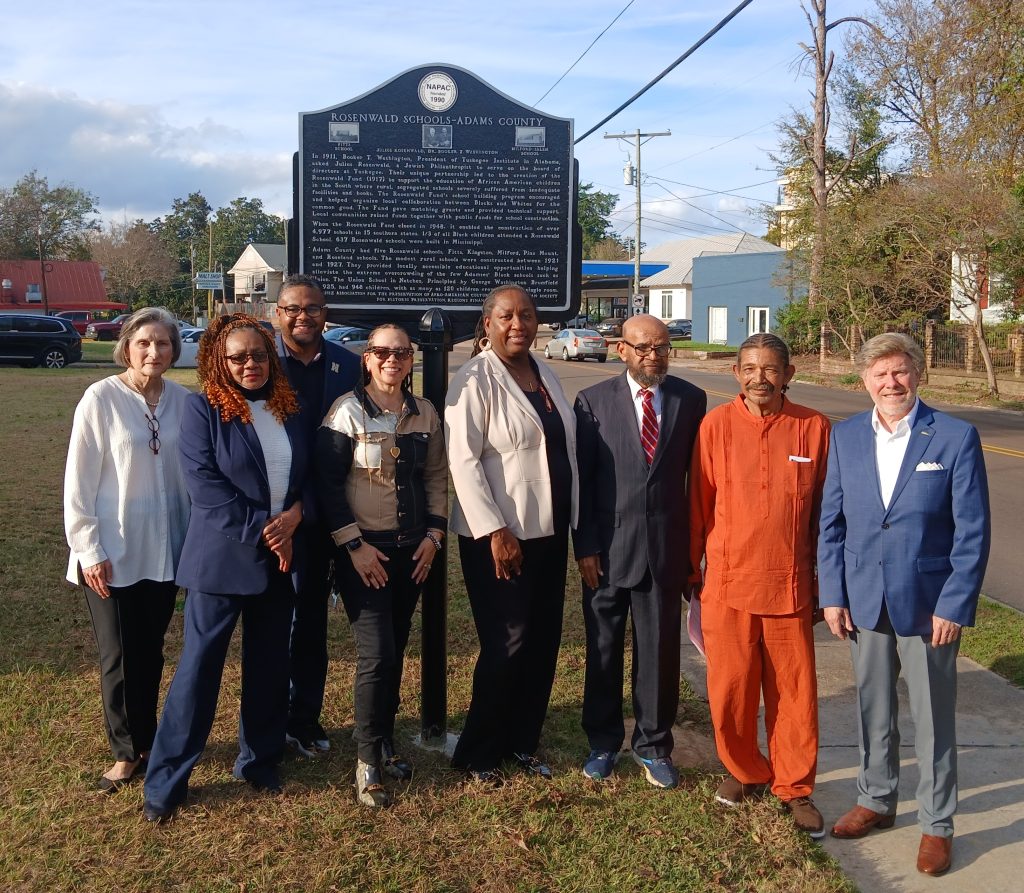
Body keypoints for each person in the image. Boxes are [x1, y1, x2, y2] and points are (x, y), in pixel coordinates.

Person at [818, 333, 991, 876]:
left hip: (929, 604)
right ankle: (876, 797)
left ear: (918, 374)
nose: (890, 383)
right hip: (864, 599)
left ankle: (938, 824)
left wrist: (954, 603)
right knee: (874, 709)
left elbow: (973, 531)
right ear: (863, 380)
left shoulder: (955, 436)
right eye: (879, 374)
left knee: (935, 718)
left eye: (900, 371)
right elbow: (831, 525)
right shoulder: (845, 436)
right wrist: (832, 594)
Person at [143, 314, 307, 822]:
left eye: (258, 354)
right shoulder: (203, 410)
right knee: (198, 672)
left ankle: (259, 761)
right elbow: (207, 490)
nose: (250, 364)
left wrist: (297, 515)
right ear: (219, 359)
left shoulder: (288, 406)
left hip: (283, 559)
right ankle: (166, 783)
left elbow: (312, 475)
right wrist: (269, 530)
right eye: (238, 357)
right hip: (222, 561)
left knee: (269, 666)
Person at [688, 333, 830, 836]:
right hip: (727, 583)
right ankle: (743, 770)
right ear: (736, 374)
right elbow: (699, 506)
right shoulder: (716, 426)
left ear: (789, 374)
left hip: (790, 587)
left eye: (770, 368)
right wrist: (692, 574)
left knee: (794, 694)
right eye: (749, 368)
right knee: (731, 689)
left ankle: (794, 786)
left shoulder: (813, 428)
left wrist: (825, 584)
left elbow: (827, 518)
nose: (759, 378)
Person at [445, 284, 579, 782]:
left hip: (548, 530)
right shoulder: (472, 380)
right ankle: (480, 751)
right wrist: (495, 530)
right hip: (501, 537)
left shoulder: (544, 373)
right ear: (487, 324)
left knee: (543, 639)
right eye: (506, 316)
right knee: (509, 640)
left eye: (526, 315)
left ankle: (523, 741)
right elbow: (463, 461)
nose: (517, 324)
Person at [316, 324, 447, 806]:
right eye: (383, 353)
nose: (393, 360)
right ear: (367, 360)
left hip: (411, 550)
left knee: (396, 644)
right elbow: (328, 486)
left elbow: (436, 477)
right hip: (363, 553)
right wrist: (354, 547)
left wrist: (435, 535)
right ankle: (367, 759)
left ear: (411, 360)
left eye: (402, 353)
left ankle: (387, 741)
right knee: (377, 654)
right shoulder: (345, 413)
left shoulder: (425, 414)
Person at [573, 314, 706, 789]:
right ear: (622, 350)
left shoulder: (691, 400)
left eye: (662, 347)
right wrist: (585, 545)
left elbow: (698, 480)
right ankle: (603, 742)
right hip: (606, 551)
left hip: (666, 550)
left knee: (658, 652)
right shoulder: (592, 402)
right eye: (644, 348)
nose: (654, 356)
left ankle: (653, 745)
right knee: (603, 650)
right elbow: (583, 482)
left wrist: (698, 550)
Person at [64, 307, 190, 793]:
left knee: (151, 652)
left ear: (174, 350)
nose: (153, 352)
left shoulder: (182, 400)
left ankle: (147, 738)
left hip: (163, 549)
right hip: (111, 552)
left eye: (162, 344)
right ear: (127, 347)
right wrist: (88, 548)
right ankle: (124, 752)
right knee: (117, 655)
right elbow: (79, 481)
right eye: (144, 344)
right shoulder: (100, 398)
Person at [274, 274, 360, 757]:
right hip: (283, 515)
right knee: (281, 623)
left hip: (339, 511)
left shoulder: (349, 366)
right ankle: (274, 718)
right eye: (292, 308)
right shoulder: (261, 365)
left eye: (312, 308)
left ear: (325, 314)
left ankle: (304, 719)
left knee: (312, 625)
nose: (303, 316)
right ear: (277, 313)